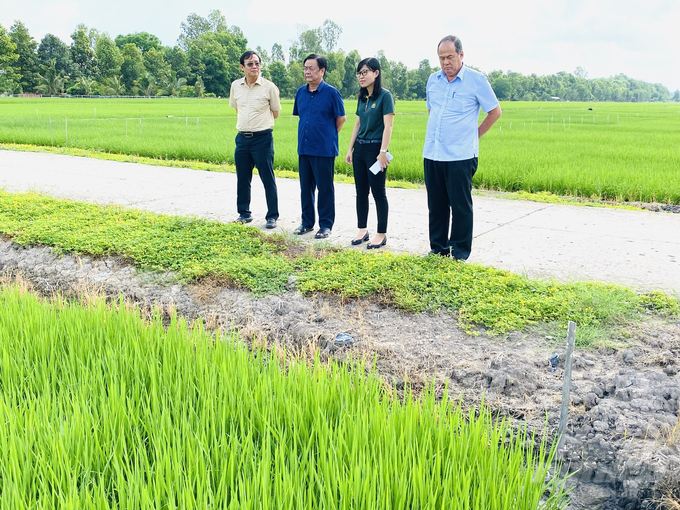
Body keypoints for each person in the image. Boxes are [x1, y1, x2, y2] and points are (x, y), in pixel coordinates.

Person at [424, 35, 501, 260]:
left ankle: (459, 252)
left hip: (461, 155)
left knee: (460, 206)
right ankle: (438, 248)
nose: (445, 62)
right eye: (441, 58)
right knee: (436, 204)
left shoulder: (476, 80)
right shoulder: (433, 80)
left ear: (461, 55)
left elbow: (495, 111)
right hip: (433, 152)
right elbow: (432, 111)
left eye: (449, 57)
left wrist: (474, 135)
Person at [293, 54, 346, 239]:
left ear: (322, 71)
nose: (307, 71)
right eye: (305, 68)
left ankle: (325, 225)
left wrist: (327, 135)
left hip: (324, 150)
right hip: (304, 148)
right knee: (305, 187)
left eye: (311, 68)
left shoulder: (332, 93)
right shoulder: (300, 92)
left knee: (325, 188)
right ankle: (307, 222)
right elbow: (301, 116)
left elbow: (341, 119)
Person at [345, 57, 395, 250]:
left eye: (365, 72)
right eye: (359, 73)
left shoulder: (385, 96)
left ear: (376, 73)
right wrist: (350, 149)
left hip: (376, 150)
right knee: (360, 191)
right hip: (360, 149)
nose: (361, 76)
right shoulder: (362, 96)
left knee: (378, 192)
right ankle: (362, 229)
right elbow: (357, 124)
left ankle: (381, 233)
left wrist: (383, 152)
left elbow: (388, 126)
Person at [229, 50, 282, 229]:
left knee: (267, 177)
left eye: (257, 63)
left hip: (262, 139)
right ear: (242, 67)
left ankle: (272, 216)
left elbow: (275, 113)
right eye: (250, 63)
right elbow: (238, 109)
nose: (254, 67)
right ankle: (244, 213)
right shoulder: (236, 86)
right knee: (243, 177)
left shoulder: (269, 87)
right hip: (242, 139)